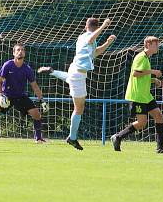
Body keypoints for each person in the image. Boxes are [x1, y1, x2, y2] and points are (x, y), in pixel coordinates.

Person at [38, 17, 116, 150]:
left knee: (71, 80)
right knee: (79, 109)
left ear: (86, 26)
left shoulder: (83, 37)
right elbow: (91, 39)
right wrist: (104, 26)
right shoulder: (88, 37)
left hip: (75, 71)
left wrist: (108, 43)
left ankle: (52, 71)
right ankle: (72, 138)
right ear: (96, 28)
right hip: (78, 74)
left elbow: (95, 53)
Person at [0, 43, 48, 143]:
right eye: (18, 50)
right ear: (14, 53)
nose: (20, 52)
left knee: (37, 115)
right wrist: (1, 94)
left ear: (25, 53)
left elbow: (34, 86)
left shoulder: (28, 69)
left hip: (20, 96)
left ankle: (38, 139)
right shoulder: (8, 65)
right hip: (7, 95)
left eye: (22, 50)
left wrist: (42, 99)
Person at [110, 36, 163, 153]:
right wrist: (153, 72)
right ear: (148, 45)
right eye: (156, 45)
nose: (157, 47)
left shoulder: (146, 58)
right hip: (138, 96)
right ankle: (118, 137)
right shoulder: (141, 57)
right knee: (141, 123)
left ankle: (160, 147)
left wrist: (153, 80)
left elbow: (141, 76)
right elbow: (135, 73)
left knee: (159, 116)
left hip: (146, 95)